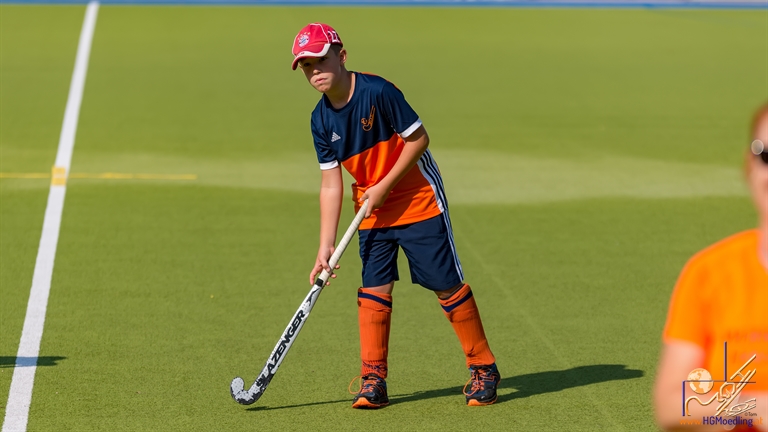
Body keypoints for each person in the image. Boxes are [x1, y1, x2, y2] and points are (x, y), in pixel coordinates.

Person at [291, 23, 499, 409]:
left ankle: (483, 367)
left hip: (418, 200)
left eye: (320, 60)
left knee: (445, 285)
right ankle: (373, 380)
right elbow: (331, 184)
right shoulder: (320, 120)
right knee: (374, 289)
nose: (314, 70)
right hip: (371, 210)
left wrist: (384, 186)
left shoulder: (378, 92)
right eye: (305, 65)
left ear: (341, 55)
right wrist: (325, 246)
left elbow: (418, 139)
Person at [653, 104, 768, 431]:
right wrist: (752, 407)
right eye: (767, 156)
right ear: (749, 166)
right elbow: (672, 404)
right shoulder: (710, 273)